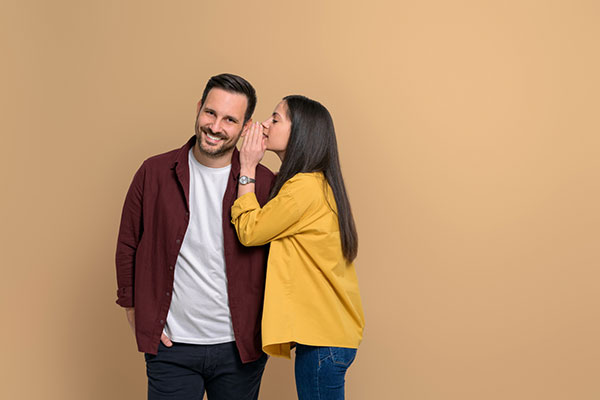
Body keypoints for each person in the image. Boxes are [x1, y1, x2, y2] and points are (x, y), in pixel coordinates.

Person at [115, 73, 275, 400]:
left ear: (245, 128)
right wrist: (135, 311)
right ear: (199, 107)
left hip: (240, 348)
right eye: (211, 113)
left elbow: (282, 259)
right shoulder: (154, 172)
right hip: (172, 347)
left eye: (230, 119)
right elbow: (128, 244)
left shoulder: (262, 182)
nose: (215, 126)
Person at [231, 95, 365, 400]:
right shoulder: (313, 185)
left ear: (301, 133)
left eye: (275, 119)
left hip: (323, 341)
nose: (265, 124)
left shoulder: (304, 187)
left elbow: (250, 231)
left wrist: (248, 166)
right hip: (329, 337)